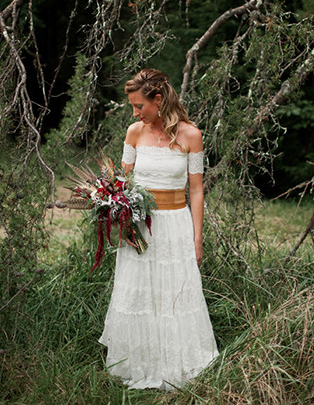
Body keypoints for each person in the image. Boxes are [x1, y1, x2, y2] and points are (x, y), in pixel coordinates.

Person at [98, 68, 219, 390]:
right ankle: (138, 362)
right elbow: (122, 183)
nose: (136, 113)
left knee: (175, 295)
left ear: (159, 99)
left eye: (140, 106)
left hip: (176, 225)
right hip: (141, 226)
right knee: (140, 294)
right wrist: (118, 214)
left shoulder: (191, 135)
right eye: (133, 108)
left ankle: (176, 363)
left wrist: (197, 238)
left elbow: (196, 189)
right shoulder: (134, 132)